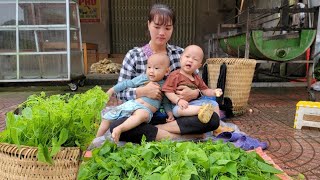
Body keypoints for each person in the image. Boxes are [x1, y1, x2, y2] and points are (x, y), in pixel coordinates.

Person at [107, 3, 220, 143]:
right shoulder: (134, 55)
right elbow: (119, 93)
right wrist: (141, 91)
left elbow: (200, 85)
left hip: (176, 114)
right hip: (142, 113)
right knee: (116, 126)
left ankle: (159, 130)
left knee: (213, 119)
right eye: (156, 27)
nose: (162, 32)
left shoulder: (181, 54)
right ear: (148, 24)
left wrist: (194, 93)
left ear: (173, 28)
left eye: (167, 28)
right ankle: (183, 137)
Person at [96, 53, 174, 143]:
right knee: (107, 117)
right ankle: (95, 142)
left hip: (145, 109)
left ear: (167, 71)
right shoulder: (143, 78)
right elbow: (127, 84)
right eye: (149, 67)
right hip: (132, 104)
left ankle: (119, 129)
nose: (151, 71)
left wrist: (170, 113)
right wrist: (112, 90)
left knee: (141, 116)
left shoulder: (165, 85)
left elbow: (166, 102)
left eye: (156, 68)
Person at [162, 45, 222, 123]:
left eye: (195, 59)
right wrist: (178, 100)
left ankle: (217, 125)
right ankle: (202, 111)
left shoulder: (196, 77)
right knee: (180, 110)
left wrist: (214, 92)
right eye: (187, 57)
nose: (190, 60)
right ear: (181, 59)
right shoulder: (175, 75)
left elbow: (205, 90)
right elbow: (167, 91)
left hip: (196, 103)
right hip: (179, 106)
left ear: (199, 65)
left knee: (214, 104)